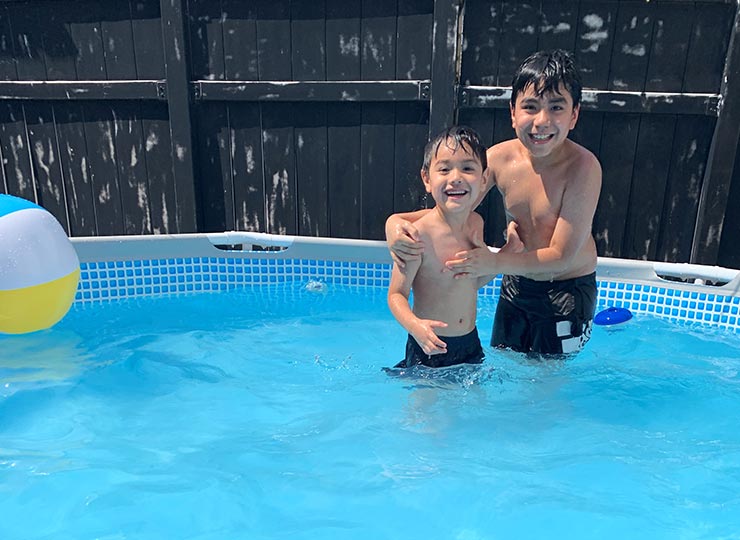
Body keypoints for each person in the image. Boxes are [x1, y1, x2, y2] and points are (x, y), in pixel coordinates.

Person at [386, 49, 601, 357]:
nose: (542, 121)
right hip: (517, 280)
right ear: (513, 113)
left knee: (548, 380)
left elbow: (561, 255)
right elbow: (450, 205)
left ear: (574, 115)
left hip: (565, 289)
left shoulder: (583, 168)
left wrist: (496, 262)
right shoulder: (499, 159)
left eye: (556, 107)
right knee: (506, 359)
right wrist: (394, 224)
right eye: (530, 106)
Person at [387, 126, 524, 369]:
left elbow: (470, 281)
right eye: (444, 169)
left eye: (468, 168)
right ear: (427, 179)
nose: (456, 177)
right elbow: (396, 294)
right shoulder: (418, 235)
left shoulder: (475, 223)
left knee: (474, 404)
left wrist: (505, 255)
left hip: (470, 342)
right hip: (430, 345)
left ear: (483, 179)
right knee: (424, 406)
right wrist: (415, 327)